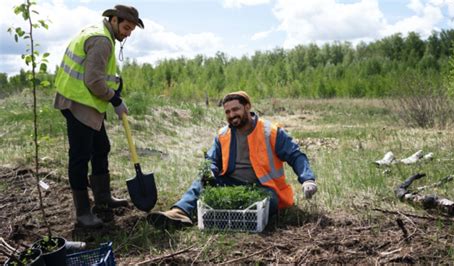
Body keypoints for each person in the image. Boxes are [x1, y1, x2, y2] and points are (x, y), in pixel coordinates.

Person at [148, 91, 318, 227]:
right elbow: (212, 160)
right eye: (227, 112)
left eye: (235, 109)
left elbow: (296, 155)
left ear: (247, 107)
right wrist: (209, 172)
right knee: (201, 183)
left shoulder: (270, 131)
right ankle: (180, 213)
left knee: (267, 203)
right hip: (231, 184)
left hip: (265, 189)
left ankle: (226, 216)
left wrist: (307, 179)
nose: (231, 114)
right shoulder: (223, 135)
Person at [53, 5, 144, 228]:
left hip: (87, 102)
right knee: (80, 156)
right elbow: (93, 81)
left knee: (101, 147)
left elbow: (98, 74)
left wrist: (115, 87)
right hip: (78, 102)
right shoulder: (102, 41)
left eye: (131, 29)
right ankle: (83, 213)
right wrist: (115, 100)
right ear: (113, 20)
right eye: (125, 27)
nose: (128, 33)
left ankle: (103, 197)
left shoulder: (99, 33)